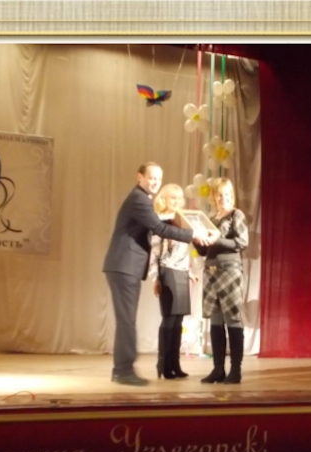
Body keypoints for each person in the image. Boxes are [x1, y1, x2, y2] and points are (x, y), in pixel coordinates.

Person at [103, 163, 215, 386]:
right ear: (140, 177)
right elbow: (159, 228)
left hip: (126, 266)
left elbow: (159, 222)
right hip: (124, 265)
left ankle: (122, 370)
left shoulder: (141, 199)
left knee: (128, 320)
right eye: (151, 177)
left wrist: (188, 226)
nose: (155, 182)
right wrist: (193, 233)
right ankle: (123, 371)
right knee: (127, 321)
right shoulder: (139, 199)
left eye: (158, 178)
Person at [196, 178, 249, 385]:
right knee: (215, 320)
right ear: (213, 197)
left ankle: (235, 371)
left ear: (231, 196)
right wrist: (197, 240)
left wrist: (216, 239)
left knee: (232, 319)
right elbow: (204, 251)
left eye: (226, 194)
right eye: (219, 194)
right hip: (211, 272)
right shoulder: (210, 219)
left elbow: (242, 242)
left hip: (230, 271)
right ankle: (218, 369)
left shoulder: (236, 215)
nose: (223, 198)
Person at [148, 183, 198, 379]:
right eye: (172, 198)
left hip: (181, 273)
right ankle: (163, 364)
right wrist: (155, 277)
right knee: (169, 319)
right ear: (164, 199)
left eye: (179, 198)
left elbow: (183, 252)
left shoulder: (180, 221)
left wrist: (189, 272)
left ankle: (175, 364)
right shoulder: (159, 222)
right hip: (167, 272)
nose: (176, 202)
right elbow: (154, 254)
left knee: (178, 321)